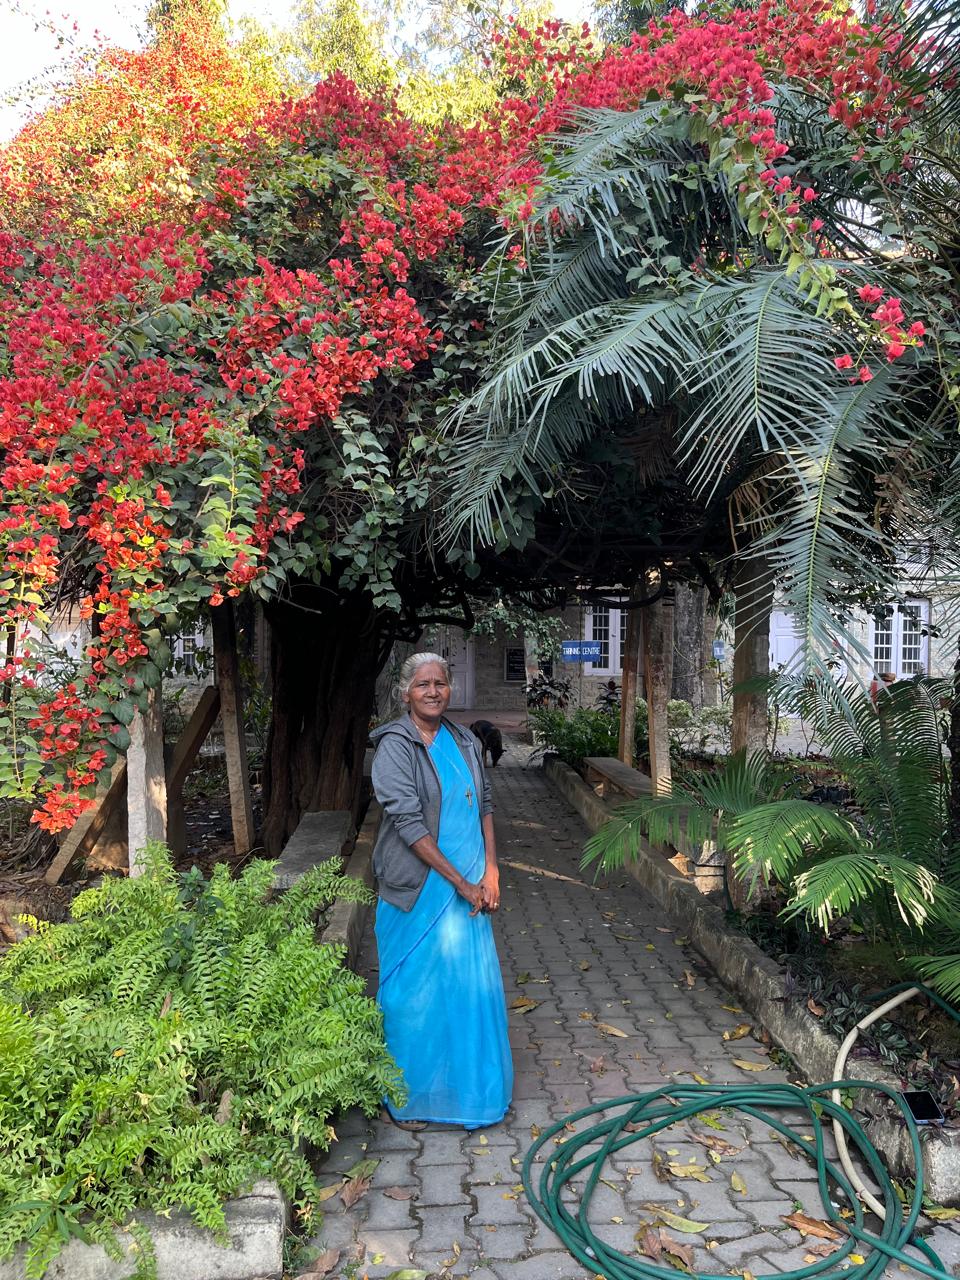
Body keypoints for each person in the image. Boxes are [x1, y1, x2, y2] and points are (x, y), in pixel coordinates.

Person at [369, 652, 513, 1130]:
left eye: (440, 683)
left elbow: (485, 804)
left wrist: (491, 871)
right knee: (412, 994)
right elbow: (409, 825)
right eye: (422, 684)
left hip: (472, 884)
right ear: (405, 693)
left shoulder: (464, 740)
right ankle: (408, 1098)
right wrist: (462, 884)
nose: (433, 692)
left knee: (465, 989)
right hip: (420, 889)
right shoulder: (395, 746)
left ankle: (467, 1092)